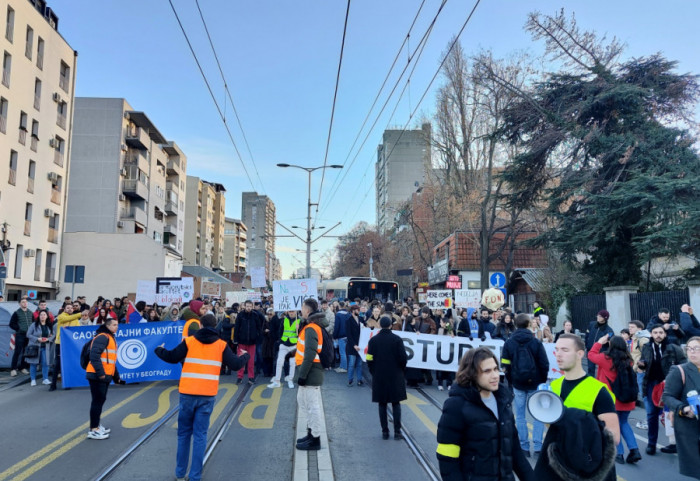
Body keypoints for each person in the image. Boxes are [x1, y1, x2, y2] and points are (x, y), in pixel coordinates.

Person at [155, 314, 249, 481]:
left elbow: (171, 357)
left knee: (183, 434)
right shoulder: (221, 345)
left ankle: (179, 473)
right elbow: (235, 364)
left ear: (200, 325)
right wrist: (245, 355)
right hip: (207, 395)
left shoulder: (190, 341)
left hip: (187, 393)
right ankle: (195, 476)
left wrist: (159, 349)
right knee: (200, 435)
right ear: (215, 326)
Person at [436, 347, 535, 481]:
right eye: (487, 371)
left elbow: (515, 451)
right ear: (472, 374)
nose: (495, 375)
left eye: (495, 369)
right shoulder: (456, 405)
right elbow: (447, 458)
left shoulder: (503, 401)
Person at [534, 334, 620, 481]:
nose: (558, 354)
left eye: (565, 350)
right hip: (556, 464)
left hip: (584, 468)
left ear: (580, 354)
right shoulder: (553, 387)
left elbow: (614, 438)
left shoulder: (599, 390)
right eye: (557, 349)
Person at [587, 335, 642, 464]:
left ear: (611, 345)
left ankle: (619, 454)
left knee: (612, 427)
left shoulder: (606, 358)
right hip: (626, 398)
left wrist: (600, 342)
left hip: (611, 399)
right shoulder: (628, 359)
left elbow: (591, 355)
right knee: (623, 423)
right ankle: (634, 450)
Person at [501, 313, 549, 456]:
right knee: (538, 415)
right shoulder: (535, 342)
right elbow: (544, 364)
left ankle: (524, 447)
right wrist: (541, 380)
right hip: (535, 384)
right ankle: (538, 446)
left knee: (520, 415)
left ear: (515, 324)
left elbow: (505, 365)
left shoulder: (509, 342)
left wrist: (512, 380)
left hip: (518, 383)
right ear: (529, 324)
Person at [637, 323, 686, 455]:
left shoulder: (673, 348)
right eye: (655, 333)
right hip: (651, 385)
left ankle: (677, 444)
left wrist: (673, 377)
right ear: (651, 334)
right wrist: (642, 365)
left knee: (672, 415)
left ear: (664, 334)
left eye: (660, 332)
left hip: (669, 385)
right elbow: (644, 362)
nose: (658, 335)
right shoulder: (647, 347)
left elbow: (683, 364)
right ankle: (651, 444)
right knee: (651, 415)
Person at [662, 336, 700, 480]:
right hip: (690, 425)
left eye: (696, 348)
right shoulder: (679, 370)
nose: (692, 352)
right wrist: (683, 409)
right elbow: (667, 396)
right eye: (689, 349)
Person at [366, 316, 407, 440]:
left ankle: (385, 431)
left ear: (379, 325)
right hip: (395, 375)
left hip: (379, 375)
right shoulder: (397, 339)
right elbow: (403, 358)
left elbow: (369, 359)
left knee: (382, 404)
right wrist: (400, 370)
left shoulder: (373, 340)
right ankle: (397, 431)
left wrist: (374, 371)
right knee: (396, 403)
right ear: (390, 325)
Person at [295, 299, 327, 451]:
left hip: (310, 372)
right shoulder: (309, 327)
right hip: (309, 370)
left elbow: (309, 353)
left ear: (307, 310)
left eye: (302, 307)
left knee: (312, 406)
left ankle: (315, 438)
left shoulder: (311, 328)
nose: (301, 309)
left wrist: (302, 375)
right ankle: (310, 433)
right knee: (303, 402)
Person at [86, 317, 124, 439]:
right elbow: (94, 355)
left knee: (99, 401)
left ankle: (96, 425)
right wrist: (101, 373)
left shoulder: (110, 337)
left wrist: (116, 377)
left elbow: (111, 362)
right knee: (97, 402)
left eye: (117, 324)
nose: (116, 327)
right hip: (98, 376)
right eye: (114, 325)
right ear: (107, 326)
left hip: (103, 375)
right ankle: (93, 429)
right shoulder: (103, 337)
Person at [50, 302, 81, 391]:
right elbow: (67, 318)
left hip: (70, 345)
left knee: (68, 364)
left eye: (71, 308)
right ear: (64, 309)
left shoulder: (75, 320)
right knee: (57, 364)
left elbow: (77, 331)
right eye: (68, 308)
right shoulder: (61, 316)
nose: (70, 309)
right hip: (60, 344)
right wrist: (79, 314)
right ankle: (53, 384)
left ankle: (67, 383)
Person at [268, 310, 299, 389]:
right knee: (279, 362)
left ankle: (290, 380)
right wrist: (280, 341)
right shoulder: (284, 320)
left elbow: (301, 334)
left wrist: (298, 329)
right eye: (290, 312)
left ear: (296, 312)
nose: (291, 313)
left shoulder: (299, 321)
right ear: (288, 312)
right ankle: (277, 381)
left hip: (294, 345)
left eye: (293, 311)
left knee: (292, 363)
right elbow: (280, 331)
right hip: (284, 344)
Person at [233, 300, 261, 385]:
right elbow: (237, 327)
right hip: (242, 341)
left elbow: (259, 327)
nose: (248, 308)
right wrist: (236, 338)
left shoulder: (255, 315)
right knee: (241, 360)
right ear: (244, 306)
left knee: (251, 361)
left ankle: (251, 377)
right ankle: (239, 377)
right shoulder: (240, 315)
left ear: (252, 307)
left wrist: (258, 337)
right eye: (247, 306)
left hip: (252, 342)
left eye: (250, 306)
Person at [26, 310, 55, 386]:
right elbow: (28, 334)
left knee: (45, 363)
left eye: (44, 315)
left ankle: (45, 379)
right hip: (35, 347)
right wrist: (37, 339)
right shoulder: (34, 325)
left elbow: (53, 335)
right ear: (39, 316)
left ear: (47, 316)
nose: (42, 316)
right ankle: (33, 379)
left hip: (45, 347)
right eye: (41, 315)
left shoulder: (49, 325)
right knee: (33, 363)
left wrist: (48, 339)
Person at [585, 310, 614, 376]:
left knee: (602, 370)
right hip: (591, 351)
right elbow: (587, 336)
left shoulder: (609, 330)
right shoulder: (591, 324)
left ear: (605, 318)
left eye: (600, 316)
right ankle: (591, 384)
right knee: (590, 369)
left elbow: (611, 343)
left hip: (601, 353)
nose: (598, 317)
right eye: (598, 315)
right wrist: (587, 346)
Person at [9, 297, 33, 376]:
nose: (25, 303)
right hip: (20, 334)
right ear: (19, 304)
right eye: (23, 302)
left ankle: (22, 367)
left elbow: (33, 323)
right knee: (17, 351)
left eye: (25, 302)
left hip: (28, 335)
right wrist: (18, 328)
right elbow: (11, 324)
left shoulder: (30, 312)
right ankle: (13, 369)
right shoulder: (16, 313)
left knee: (25, 351)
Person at [345, 303, 364, 386]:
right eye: (357, 310)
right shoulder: (348, 320)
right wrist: (354, 345)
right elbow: (348, 335)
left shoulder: (361, 319)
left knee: (359, 364)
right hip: (352, 346)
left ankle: (359, 380)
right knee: (351, 364)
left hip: (360, 345)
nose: (358, 311)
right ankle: (350, 380)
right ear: (353, 311)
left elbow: (365, 330)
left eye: (358, 310)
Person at [332, 302, 350, 373]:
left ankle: (343, 367)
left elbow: (337, 326)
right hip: (347, 335)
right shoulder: (348, 314)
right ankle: (343, 366)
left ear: (339, 306)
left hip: (341, 335)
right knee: (345, 352)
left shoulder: (338, 315)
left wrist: (334, 335)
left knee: (342, 352)